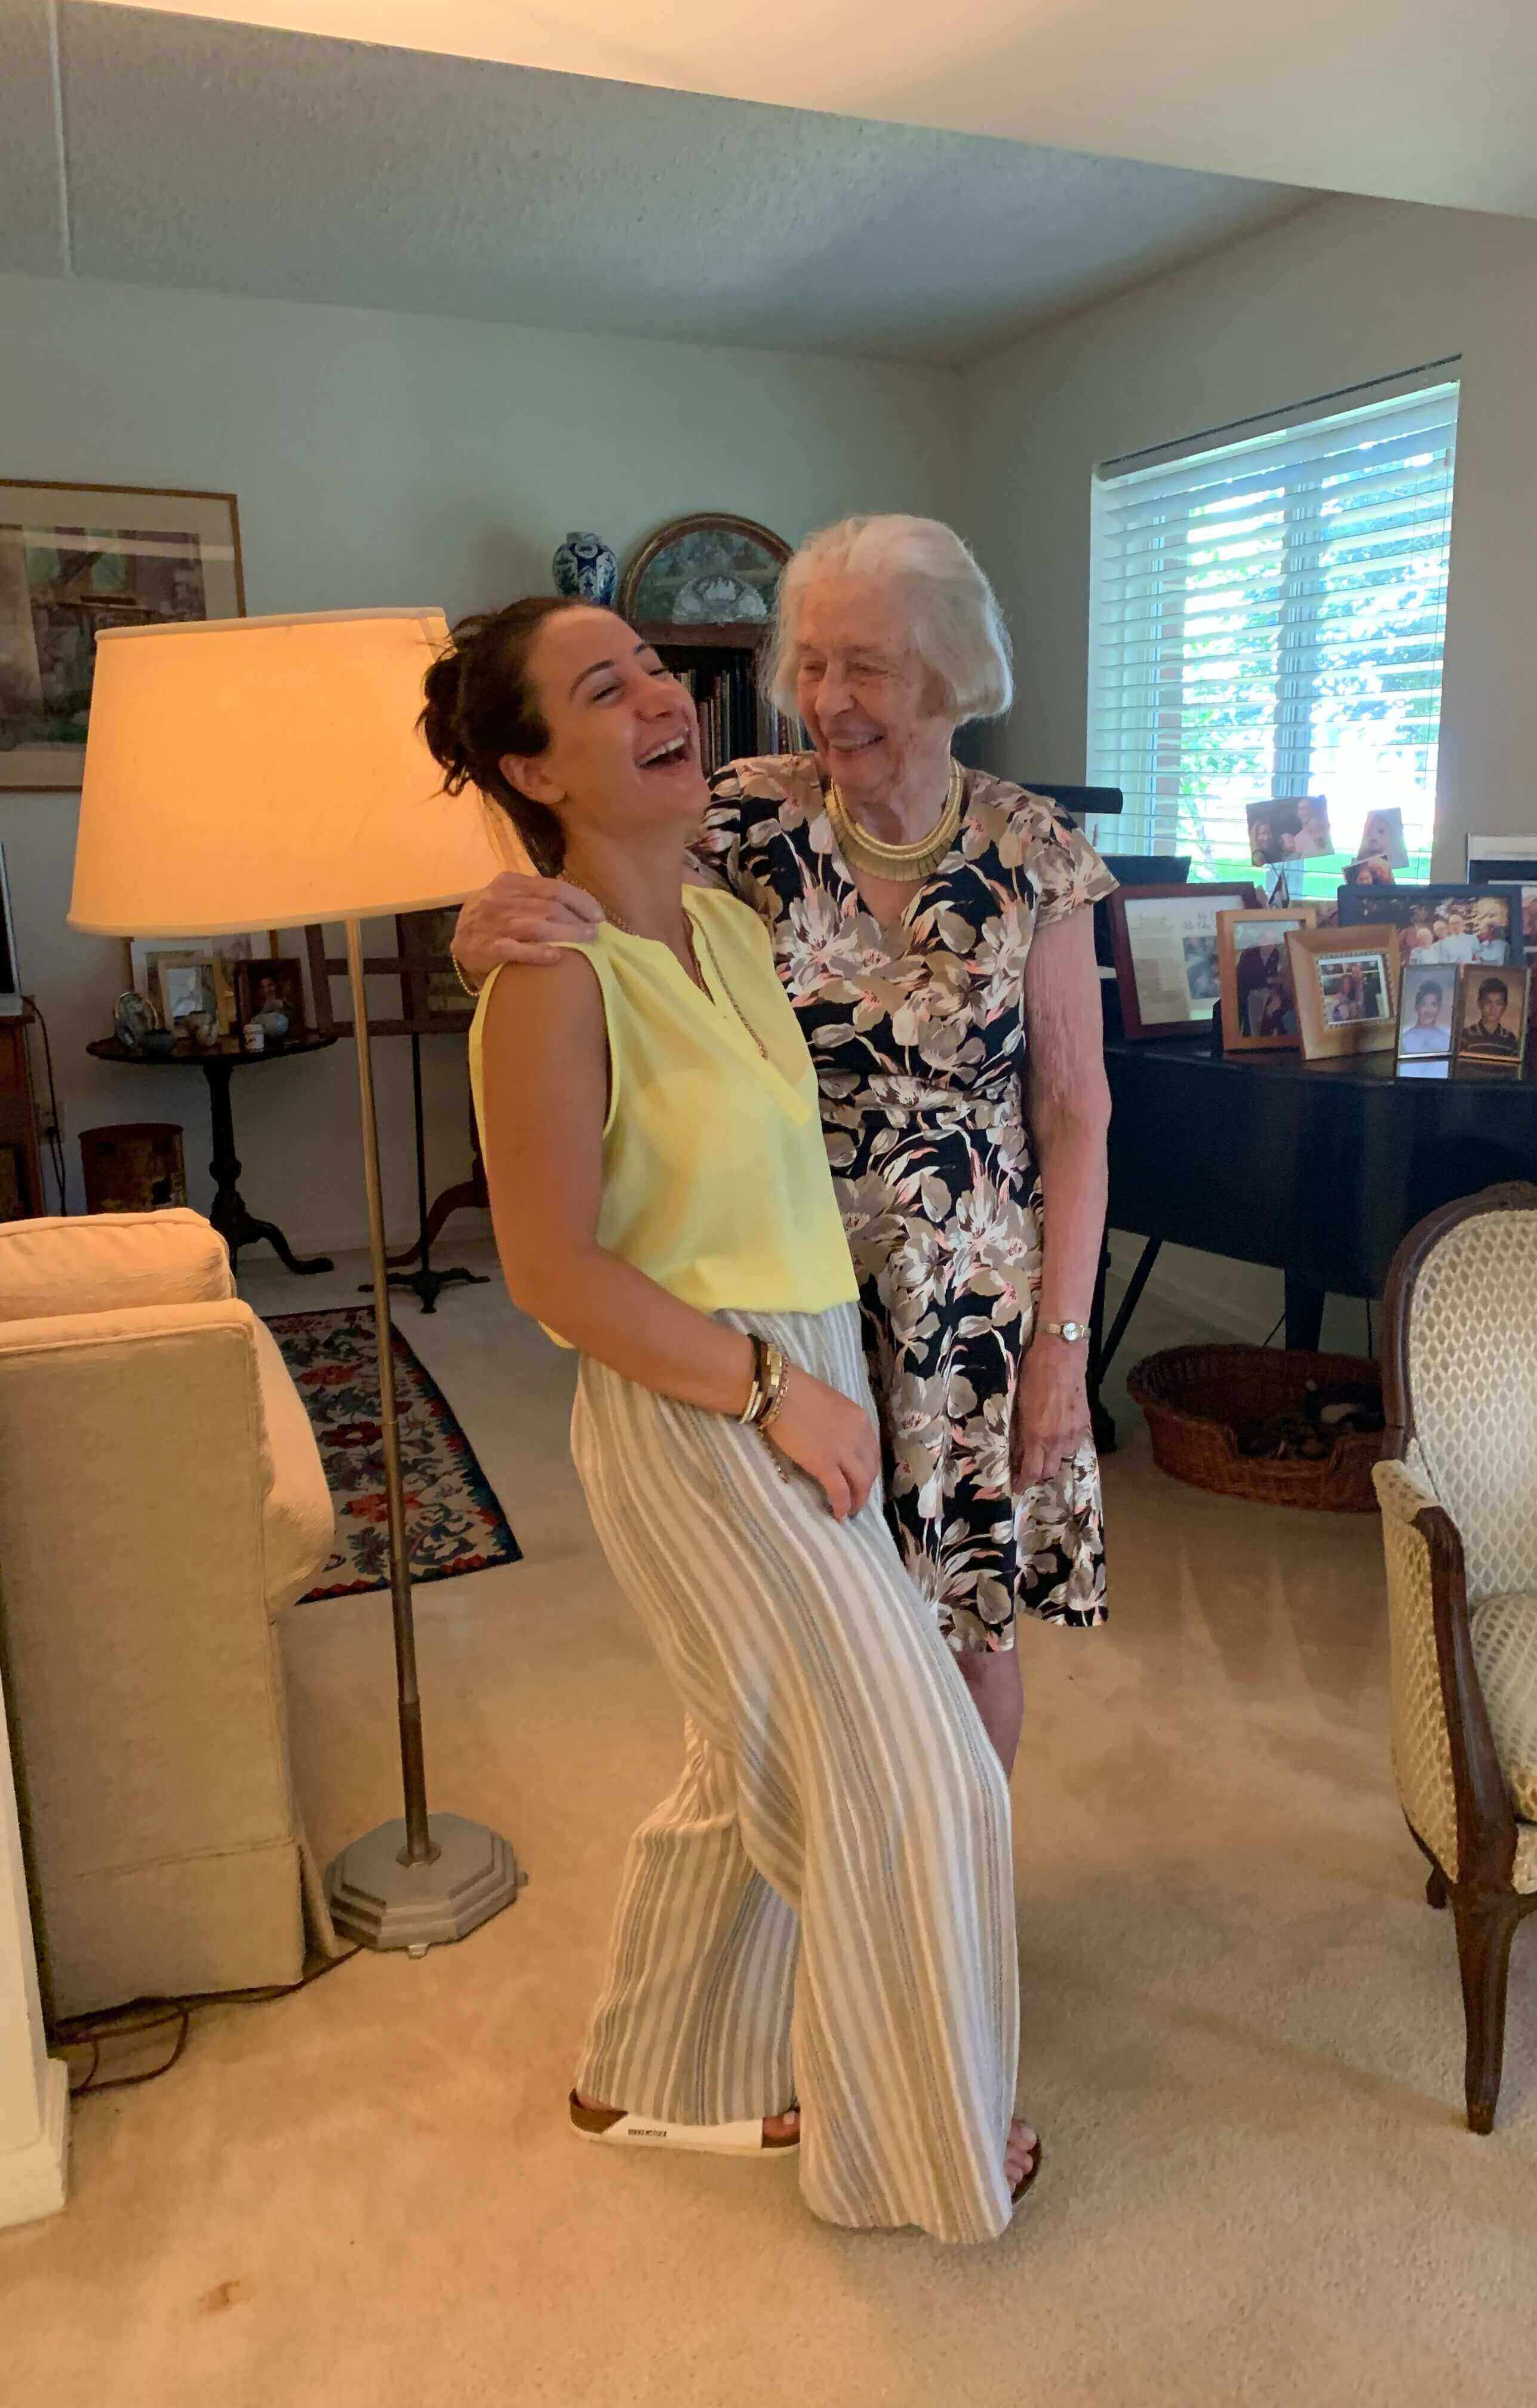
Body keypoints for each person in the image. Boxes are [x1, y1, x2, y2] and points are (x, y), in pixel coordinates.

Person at [426, 597, 1037, 2241]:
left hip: (806, 1370)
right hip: (701, 1404)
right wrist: (772, 1391)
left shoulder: (726, 908)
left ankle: (656, 2070)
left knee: (746, 1753)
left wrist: (821, 1378)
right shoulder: (550, 979)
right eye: (601, 688)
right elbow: (550, 1269)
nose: (658, 697)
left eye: (654, 668)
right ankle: (911, 2145)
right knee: (920, 1769)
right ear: (530, 768)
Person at [453, 517, 1115, 1776]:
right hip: (785, 1302)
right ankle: (839, 1872)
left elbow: (1075, 1111)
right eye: (808, 664)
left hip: (966, 1311)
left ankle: (957, 1879)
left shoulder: (1034, 850)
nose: (825, 699)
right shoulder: (745, 813)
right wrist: (482, 923)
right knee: (795, 1663)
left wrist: (1063, 1348)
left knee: (966, 1636)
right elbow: (593, 884)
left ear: (948, 673)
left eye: (865, 666)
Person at [1459, 975, 1520, 1059]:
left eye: (1498, 1004)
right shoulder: (1466, 1036)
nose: (1493, 1009)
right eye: (1488, 1002)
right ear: (1479, 1004)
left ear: (1504, 1007)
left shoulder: (1511, 1040)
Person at [1398, 978, 1449, 1056]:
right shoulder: (1404, 1040)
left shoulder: (1446, 1039)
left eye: (1433, 1005)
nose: (1428, 1011)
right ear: (1417, 1007)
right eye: (1423, 1004)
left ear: (1439, 1008)